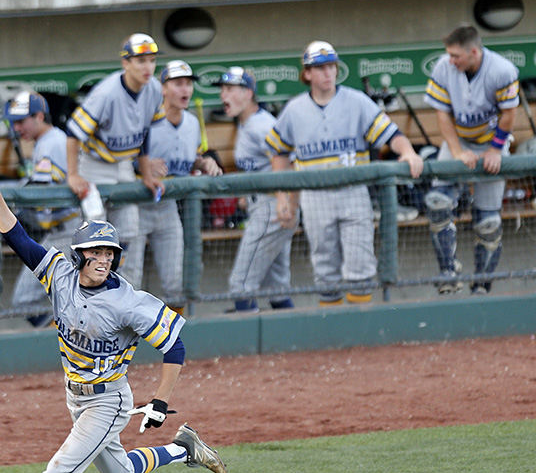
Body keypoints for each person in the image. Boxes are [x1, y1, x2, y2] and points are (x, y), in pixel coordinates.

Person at [0, 153, 226, 473]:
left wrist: (160, 404)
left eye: (110, 251)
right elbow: (18, 238)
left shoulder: (128, 302)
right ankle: (186, 450)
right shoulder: (60, 274)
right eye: (95, 250)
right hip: (76, 396)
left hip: (108, 401)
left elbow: (176, 346)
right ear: (80, 254)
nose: (103, 258)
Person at [266, 41, 423, 305]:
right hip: (315, 197)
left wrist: (407, 151)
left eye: (331, 67)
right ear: (307, 74)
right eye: (320, 68)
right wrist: (283, 198)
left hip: (353, 192)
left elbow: (391, 134)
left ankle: (361, 336)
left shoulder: (356, 100)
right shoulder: (294, 109)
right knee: (324, 269)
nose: (327, 73)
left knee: (360, 266)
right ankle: (333, 334)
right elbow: (278, 152)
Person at [423, 25, 519, 295]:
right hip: (459, 140)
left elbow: (509, 114)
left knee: (488, 222)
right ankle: (449, 272)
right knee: (437, 202)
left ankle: (481, 287)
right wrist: (456, 151)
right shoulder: (444, 67)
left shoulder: (502, 70)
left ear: (474, 52)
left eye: (456, 56)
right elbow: (442, 114)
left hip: (492, 141)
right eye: (450, 55)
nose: (451, 60)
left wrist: (495, 150)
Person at [66, 32, 166, 289]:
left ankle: (123, 289)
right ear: (126, 63)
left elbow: (144, 133)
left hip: (124, 163)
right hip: (94, 163)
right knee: (93, 231)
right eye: (140, 60)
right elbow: (73, 133)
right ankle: (83, 290)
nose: (148, 67)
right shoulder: (106, 93)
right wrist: (73, 174)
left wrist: (146, 174)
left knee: (130, 229)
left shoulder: (154, 88)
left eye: (152, 60)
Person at [140, 60, 223, 314]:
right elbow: (121, 156)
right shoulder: (147, 120)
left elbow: (188, 160)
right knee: (127, 278)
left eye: (188, 84)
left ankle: (174, 340)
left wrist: (204, 161)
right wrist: (142, 164)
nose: (185, 89)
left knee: (175, 283)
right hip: (137, 205)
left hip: (168, 208)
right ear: (163, 89)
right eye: (178, 84)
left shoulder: (192, 123)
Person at [217, 66, 296, 312]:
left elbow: (289, 162)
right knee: (277, 285)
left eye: (230, 89)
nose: (223, 96)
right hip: (264, 204)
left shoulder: (261, 125)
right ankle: (290, 338)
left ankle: (244, 339)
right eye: (222, 89)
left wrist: (285, 201)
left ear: (248, 93)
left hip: (273, 206)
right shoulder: (247, 122)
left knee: (241, 284)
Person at [3, 90, 81, 328]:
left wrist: (0, 194)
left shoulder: (52, 143)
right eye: (13, 123)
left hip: (69, 233)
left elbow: (40, 191)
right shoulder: (49, 141)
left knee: (25, 300)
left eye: (20, 121)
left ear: (38, 116)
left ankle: (67, 345)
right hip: (61, 232)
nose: (16, 128)